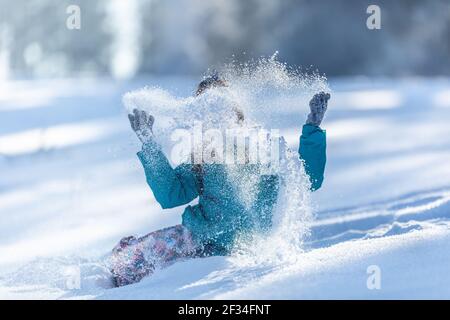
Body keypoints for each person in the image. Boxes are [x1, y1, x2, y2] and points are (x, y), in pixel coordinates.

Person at [110, 74, 330, 287]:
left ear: (235, 110)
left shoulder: (262, 145)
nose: (213, 116)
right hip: (200, 238)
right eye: (205, 109)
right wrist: (149, 145)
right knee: (126, 265)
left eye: (219, 106)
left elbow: (306, 179)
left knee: (134, 263)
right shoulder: (203, 153)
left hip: (246, 247)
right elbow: (171, 195)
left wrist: (312, 129)